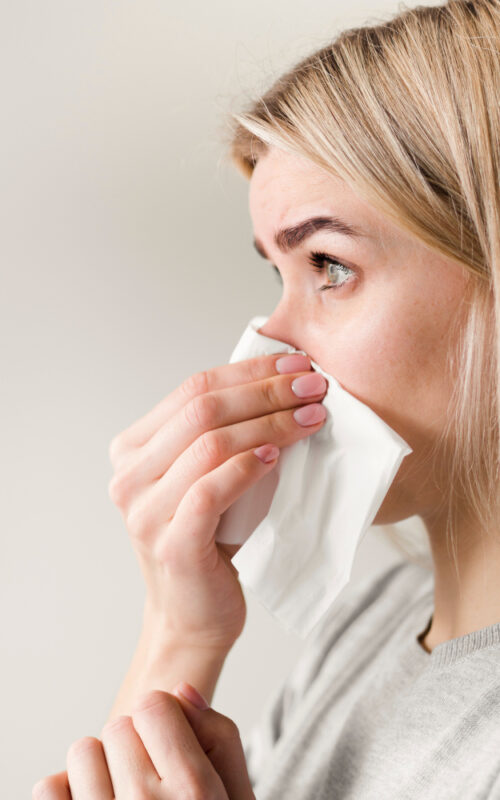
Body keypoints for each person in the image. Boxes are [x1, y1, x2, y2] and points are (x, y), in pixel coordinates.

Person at [33, 0, 500, 797]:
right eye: (275, 275)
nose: (271, 338)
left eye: (330, 265)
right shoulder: (367, 626)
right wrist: (181, 626)